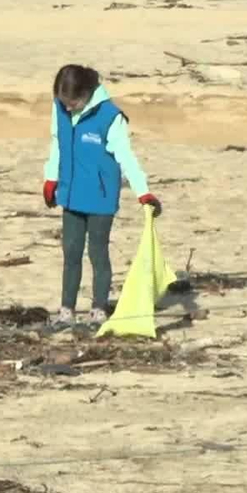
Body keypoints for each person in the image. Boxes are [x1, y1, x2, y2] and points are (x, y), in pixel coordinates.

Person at [42, 65, 162, 325]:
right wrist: (51, 178)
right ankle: (66, 311)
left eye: (73, 102)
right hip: (71, 195)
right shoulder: (60, 108)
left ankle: (98, 310)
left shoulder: (110, 116)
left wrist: (143, 192)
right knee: (71, 253)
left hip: (100, 198)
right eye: (64, 102)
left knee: (97, 253)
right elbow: (57, 144)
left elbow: (126, 157)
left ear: (86, 93)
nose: (69, 107)